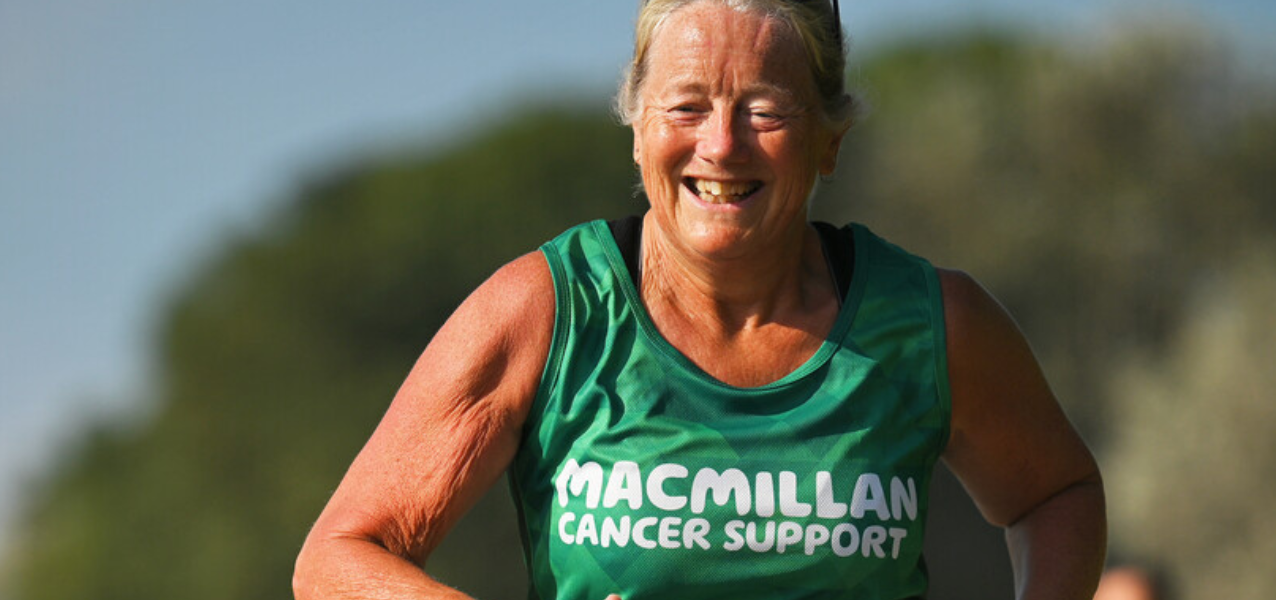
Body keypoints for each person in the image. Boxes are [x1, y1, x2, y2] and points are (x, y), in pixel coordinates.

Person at [293, 0, 1105, 598]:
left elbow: (1057, 494)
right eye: (686, 106)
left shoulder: (933, 325)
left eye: (765, 109)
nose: (721, 144)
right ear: (639, 126)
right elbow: (337, 557)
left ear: (830, 141)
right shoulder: (545, 311)